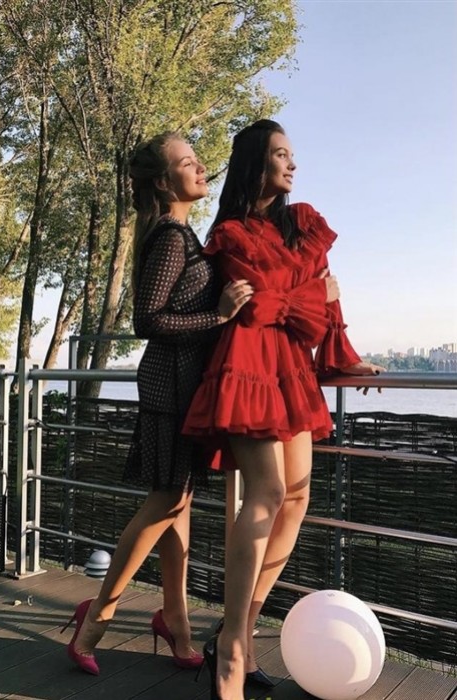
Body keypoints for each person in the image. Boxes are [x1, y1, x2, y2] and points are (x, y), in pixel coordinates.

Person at [182, 119, 385, 700]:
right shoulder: (229, 233)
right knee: (268, 493)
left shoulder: (303, 222)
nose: (292, 164)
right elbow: (257, 308)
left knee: (297, 499)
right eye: (280, 154)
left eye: (292, 154)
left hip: (292, 365)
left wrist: (344, 354)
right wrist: (309, 295)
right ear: (256, 162)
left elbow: (326, 298)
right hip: (248, 361)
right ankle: (230, 653)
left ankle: (239, 632)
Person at [61, 132, 253, 675]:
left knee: (178, 504)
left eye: (197, 159)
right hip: (170, 387)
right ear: (166, 182)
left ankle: (175, 620)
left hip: (185, 387)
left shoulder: (183, 233)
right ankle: (96, 619)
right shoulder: (171, 236)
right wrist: (219, 316)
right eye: (187, 162)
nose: (200, 167)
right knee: (167, 501)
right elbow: (147, 320)